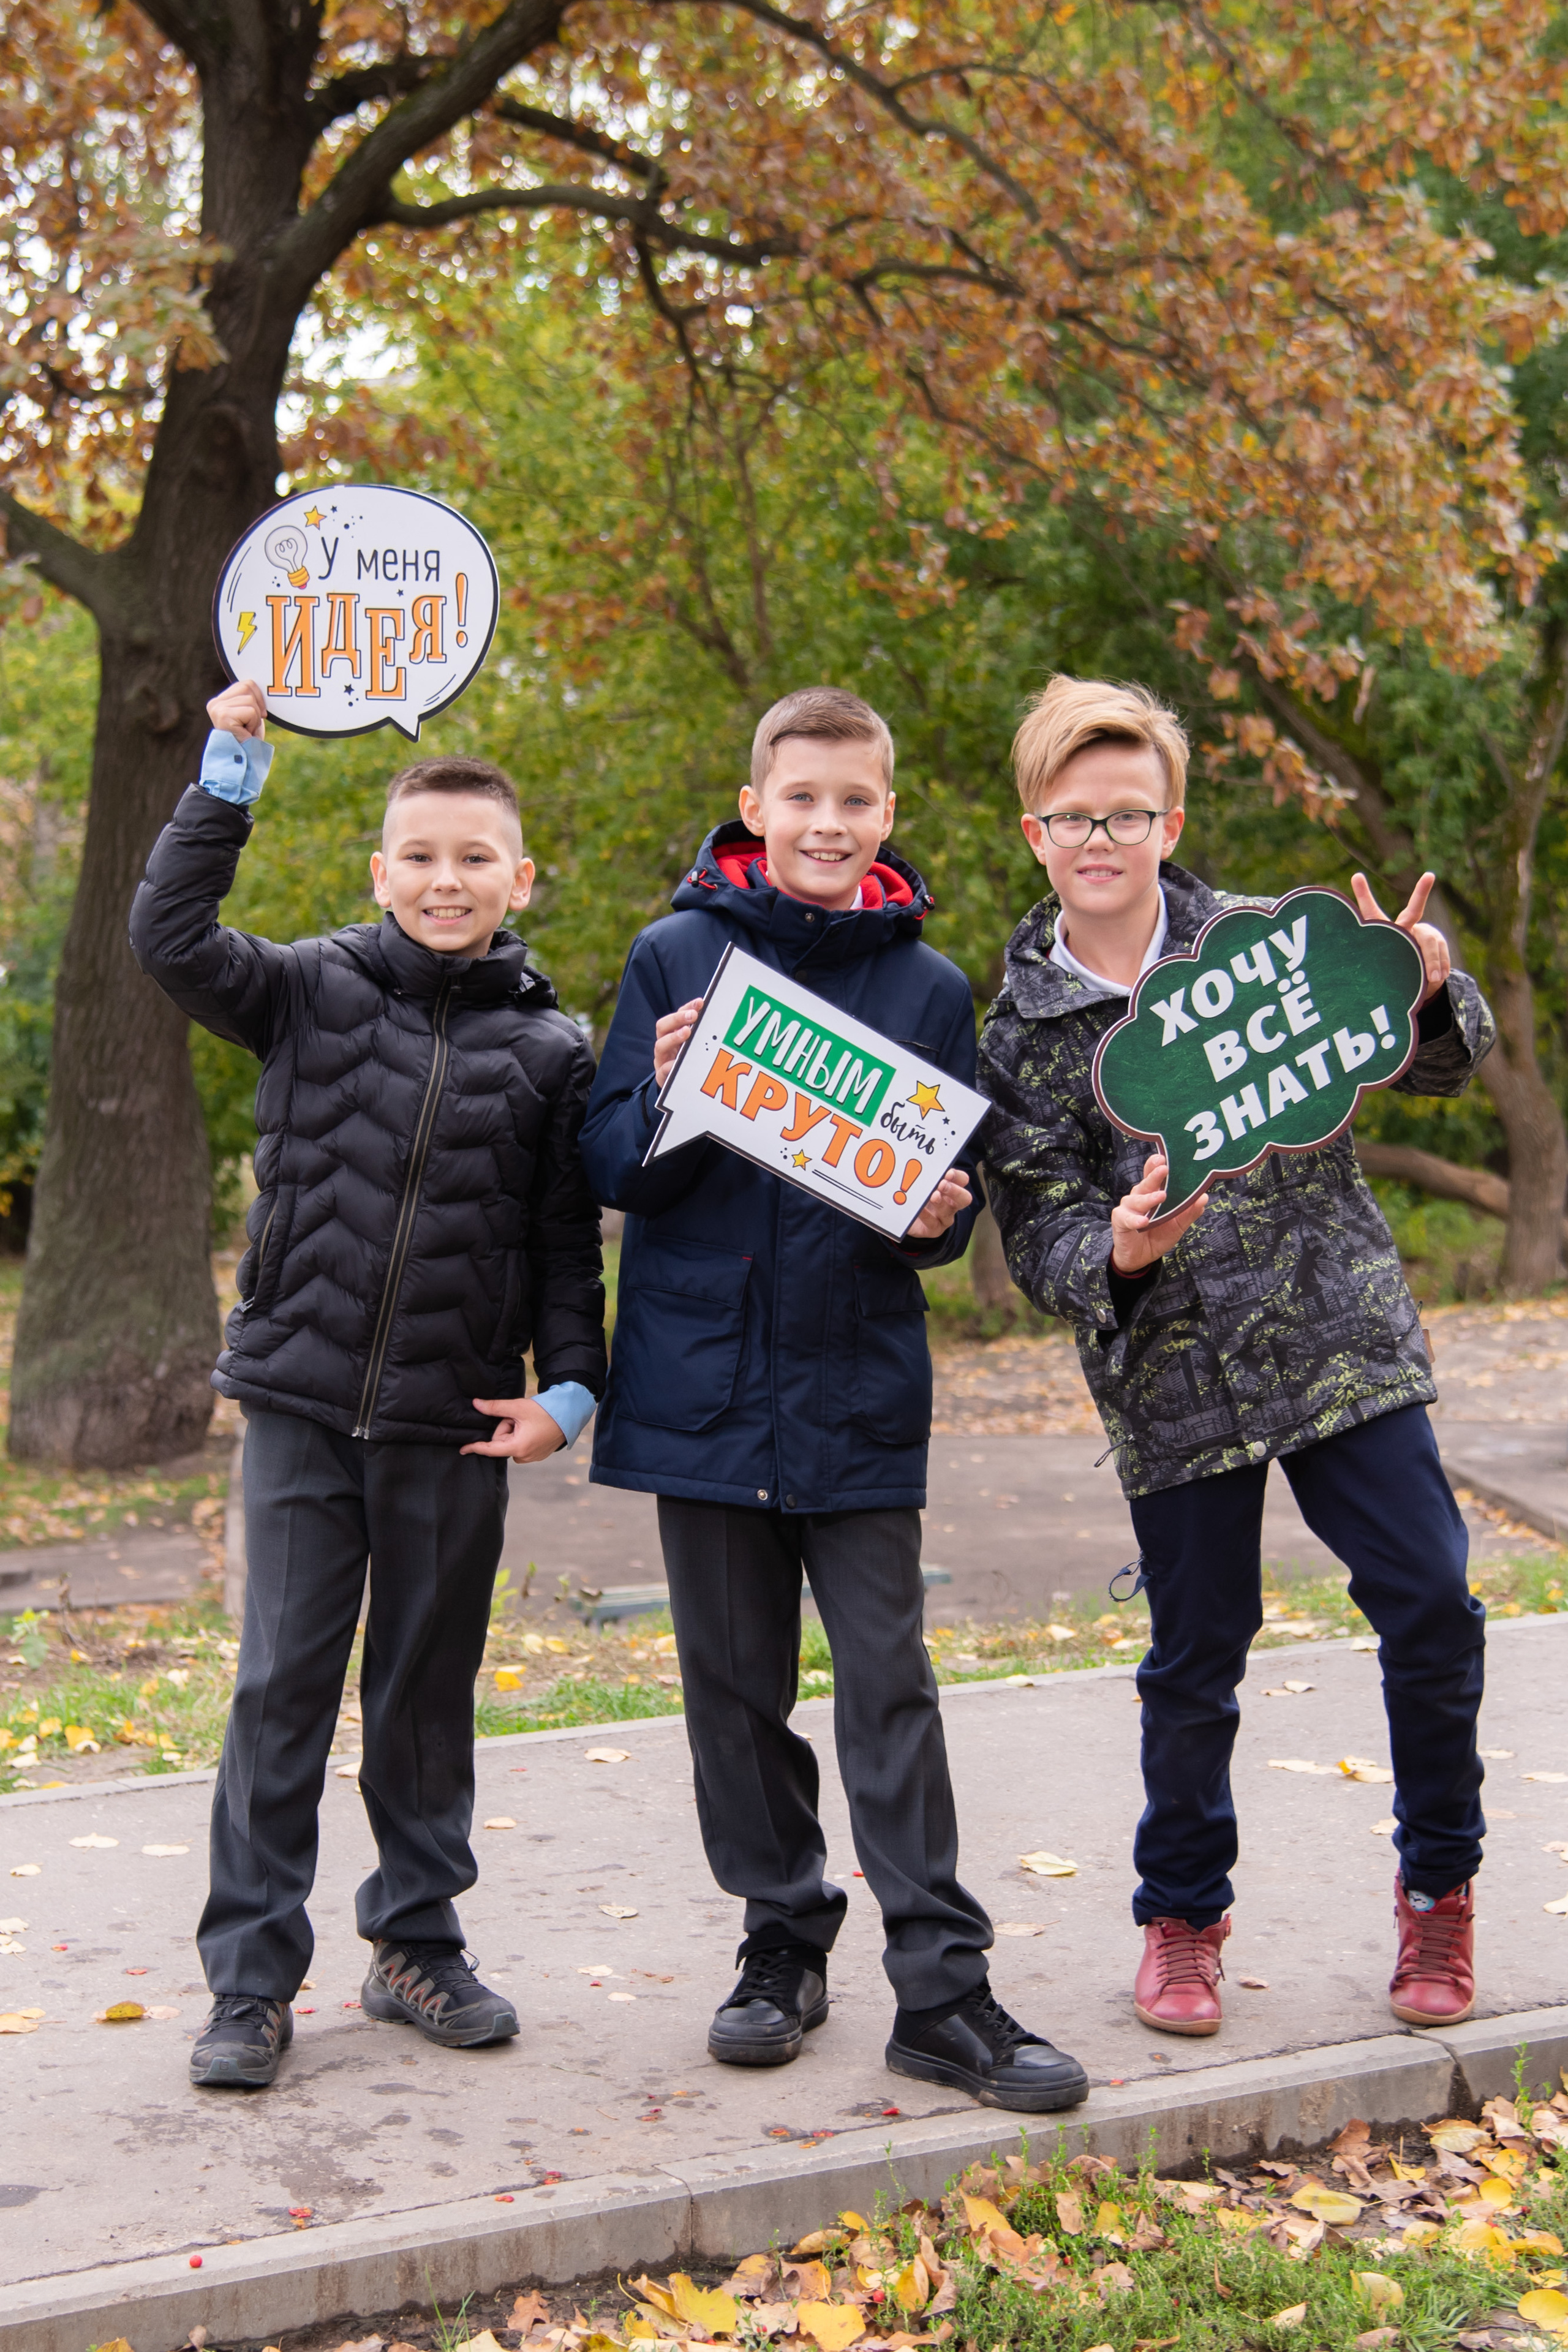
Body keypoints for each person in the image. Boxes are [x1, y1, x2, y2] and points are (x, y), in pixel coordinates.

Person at [578, 685, 1088, 2113]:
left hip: (857, 1393)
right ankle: (779, 1942)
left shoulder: (926, 988)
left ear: (885, 820)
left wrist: (936, 1211)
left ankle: (940, 1989)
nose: (824, 821)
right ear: (755, 807)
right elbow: (611, 1164)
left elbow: (932, 1216)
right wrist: (669, 1089)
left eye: (852, 802)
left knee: (889, 1691)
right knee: (733, 1698)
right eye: (799, 798)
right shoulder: (671, 953)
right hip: (700, 1393)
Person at [979, 674, 1494, 2038]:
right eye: (1072, 817)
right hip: (1175, 1385)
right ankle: (1180, 1922)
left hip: (1339, 1342)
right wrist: (1120, 1252)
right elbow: (1037, 1232)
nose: (1100, 839)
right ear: (1035, 833)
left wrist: (1425, 984)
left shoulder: (1263, 944)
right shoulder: (1019, 1031)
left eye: (1126, 813)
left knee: (1432, 1607)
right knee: (1193, 1657)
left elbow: (1437, 1066)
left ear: (1169, 821)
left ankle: (1435, 1898)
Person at [129, 677, 606, 2089]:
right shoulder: (305, 990)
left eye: (474, 858)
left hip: (454, 1424)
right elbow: (166, 937)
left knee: (421, 1690)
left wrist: (569, 1392)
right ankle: (250, 1983)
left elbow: (562, 1246)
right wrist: (232, 766)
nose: (445, 879)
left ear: (520, 878)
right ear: (378, 871)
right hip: (298, 1409)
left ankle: (415, 1945)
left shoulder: (550, 1051)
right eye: (419, 855)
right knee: (280, 1686)